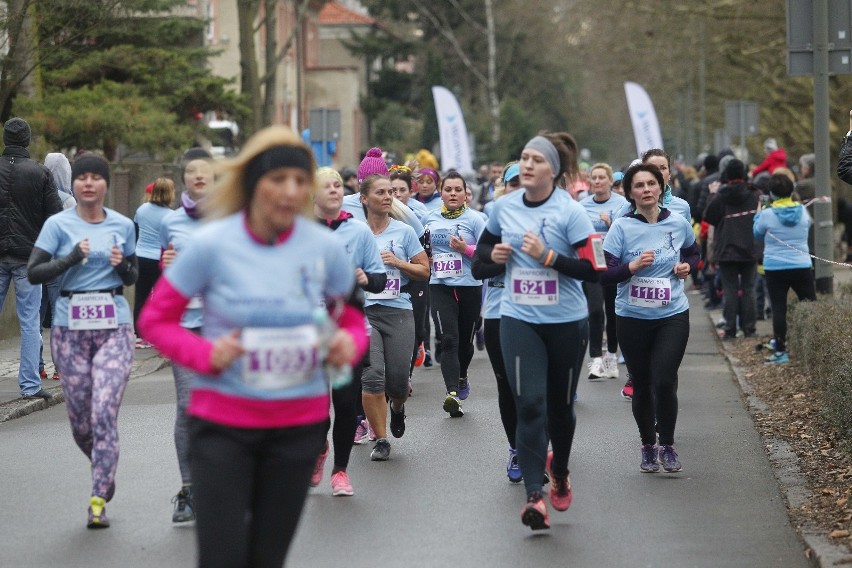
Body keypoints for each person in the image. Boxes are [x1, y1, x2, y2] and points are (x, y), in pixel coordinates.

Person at [139, 125, 368, 567]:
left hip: (297, 426)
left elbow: (352, 315)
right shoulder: (211, 244)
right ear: (252, 184)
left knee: (266, 558)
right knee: (222, 557)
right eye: (277, 179)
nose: (290, 191)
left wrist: (348, 344)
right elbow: (154, 319)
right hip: (223, 424)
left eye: (300, 181)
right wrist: (204, 355)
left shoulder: (323, 247)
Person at [475, 132, 599, 530]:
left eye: (536, 160)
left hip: (566, 321)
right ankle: (534, 496)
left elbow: (592, 269)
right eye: (524, 157)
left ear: (554, 170)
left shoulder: (571, 212)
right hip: (518, 318)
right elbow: (479, 264)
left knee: (560, 410)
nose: (527, 165)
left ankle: (559, 470)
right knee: (529, 403)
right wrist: (493, 258)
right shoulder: (502, 208)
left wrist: (547, 256)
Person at [27, 154, 139, 527]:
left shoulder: (123, 225)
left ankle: (98, 496)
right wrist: (71, 258)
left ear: (105, 185)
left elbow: (131, 275)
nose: (89, 183)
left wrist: (122, 264)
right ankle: (102, 458)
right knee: (81, 422)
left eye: (96, 177)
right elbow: (34, 272)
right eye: (82, 178)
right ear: (74, 184)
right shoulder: (58, 225)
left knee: (104, 409)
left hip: (114, 326)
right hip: (69, 328)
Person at [600, 163, 700, 475]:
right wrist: (631, 268)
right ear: (629, 193)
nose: (645, 189)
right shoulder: (621, 226)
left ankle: (667, 444)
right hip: (631, 316)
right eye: (639, 185)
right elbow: (606, 273)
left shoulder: (678, 222)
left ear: (660, 188)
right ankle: (647, 445)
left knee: (665, 380)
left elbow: (694, 253)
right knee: (642, 384)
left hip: (672, 313)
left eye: (651, 184)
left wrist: (687, 267)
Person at [311, 166, 385, 494]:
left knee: (343, 403)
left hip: (346, 331)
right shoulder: (296, 232)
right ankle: (318, 448)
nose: (334, 190)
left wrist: (367, 279)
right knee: (312, 406)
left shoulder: (358, 232)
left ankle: (340, 470)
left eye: (338, 185)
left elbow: (380, 279)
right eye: (325, 186)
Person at [157, 147, 213, 523]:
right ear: (184, 179)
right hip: (185, 326)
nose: (198, 176)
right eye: (191, 171)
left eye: (204, 171)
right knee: (187, 406)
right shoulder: (170, 222)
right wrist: (167, 267)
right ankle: (190, 488)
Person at [359, 173, 430, 460]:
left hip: (398, 310)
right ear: (365, 199)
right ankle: (381, 438)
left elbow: (424, 270)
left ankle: (397, 407)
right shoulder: (355, 232)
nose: (388, 197)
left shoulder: (403, 232)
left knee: (398, 383)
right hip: (364, 313)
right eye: (381, 192)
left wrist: (397, 262)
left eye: (390, 192)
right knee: (372, 378)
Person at [471, 162, 527, 481]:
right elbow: (477, 268)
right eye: (513, 182)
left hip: (539, 314)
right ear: (504, 187)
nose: (519, 186)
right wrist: (501, 259)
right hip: (498, 314)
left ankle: (536, 442)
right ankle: (516, 449)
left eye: (525, 181)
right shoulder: (494, 221)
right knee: (506, 385)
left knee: (534, 386)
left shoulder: (550, 220)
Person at [1, 118, 63, 400]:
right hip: (29, 256)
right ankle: (29, 385)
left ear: (5, 139)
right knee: (29, 321)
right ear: (26, 141)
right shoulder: (40, 173)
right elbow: (55, 217)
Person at [422, 171, 486, 417]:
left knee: (465, 343)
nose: (453, 194)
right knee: (448, 339)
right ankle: (451, 394)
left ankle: (461, 377)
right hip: (440, 285)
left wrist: (465, 248)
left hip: (470, 285)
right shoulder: (429, 219)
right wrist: (425, 257)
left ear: (465, 194)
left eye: (458, 189)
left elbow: (487, 253)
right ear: (441, 192)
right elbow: (421, 247)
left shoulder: (476, 220)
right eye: (448, 189)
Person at [752, 174, 816, 365]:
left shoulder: (767, 214)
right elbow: (807, 228)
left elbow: (757, 234)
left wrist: (758, 212)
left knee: (779, 309)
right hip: (802, 265)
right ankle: (814, 348)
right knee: (811, 305)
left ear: (771, 194)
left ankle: (781, 351)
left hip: (775, 267)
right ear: (791, 191)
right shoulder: (803, 212)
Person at [702, 159, 759, 339]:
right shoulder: (754, 194)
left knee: (730, 290)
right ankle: (749, 328)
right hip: (750, 248)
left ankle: (730, 328)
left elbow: (709, 217)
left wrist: (712, 194)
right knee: (749, 289)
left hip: (727, 249)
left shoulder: (721, 196)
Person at [39, 152, 77, 381]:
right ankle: (60, 368)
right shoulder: (68, 200)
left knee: (34, 315)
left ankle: (37, 366)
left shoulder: (35, 193)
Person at [132, 178, 175, 349]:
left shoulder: (141, 209)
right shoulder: (171, 216)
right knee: (159, 298)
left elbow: (135, 232)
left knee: (140, 297)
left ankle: (139, 335)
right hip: (159, 260)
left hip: (140, 257)